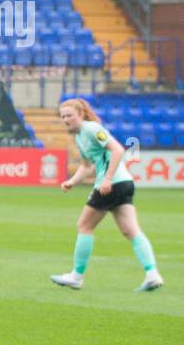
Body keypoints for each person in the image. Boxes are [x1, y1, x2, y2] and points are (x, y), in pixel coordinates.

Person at [50, 98, 163, 292]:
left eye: (69, 115)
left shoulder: (92, 129)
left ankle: (76, 276)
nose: (65, 119)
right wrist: (72, 181)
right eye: (63, 116)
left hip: (113, 184)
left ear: (81, 115)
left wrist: (107, 178)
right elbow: (87, 166)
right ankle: (152, 274)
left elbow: (118, 149)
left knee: (84, 226)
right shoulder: (79, 137)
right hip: (123, 183)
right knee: (130, 230)